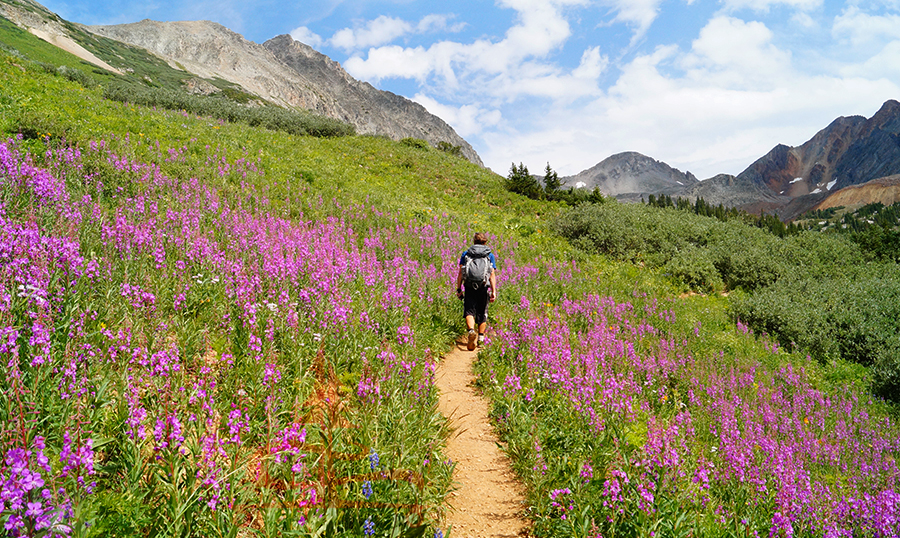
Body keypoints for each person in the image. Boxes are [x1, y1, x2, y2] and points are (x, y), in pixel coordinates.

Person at [456, 232, 497, 351]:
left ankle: (471, 331)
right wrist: (493, 291)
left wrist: (459, 289)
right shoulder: (489, 255)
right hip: (483, 286)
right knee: (482, 311)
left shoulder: (466, 253)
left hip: (469, 286)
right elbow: (492, 274)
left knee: (469, 311)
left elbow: (460, 273)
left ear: (474, 242)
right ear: (485, 242)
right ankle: (480, 338)